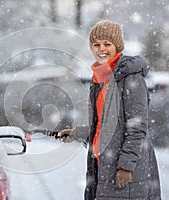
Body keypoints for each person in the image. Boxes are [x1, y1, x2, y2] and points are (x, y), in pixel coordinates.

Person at [58, 20, 162, 200]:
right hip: (102, 166)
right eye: (96, 44)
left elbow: (137, 128)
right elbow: (105, 126)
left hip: (123, 171)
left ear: (118, 46)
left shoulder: (131, 79)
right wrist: (78, 132)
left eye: (107, 44)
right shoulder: (100, 79)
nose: (101, 49)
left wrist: (126, 166)